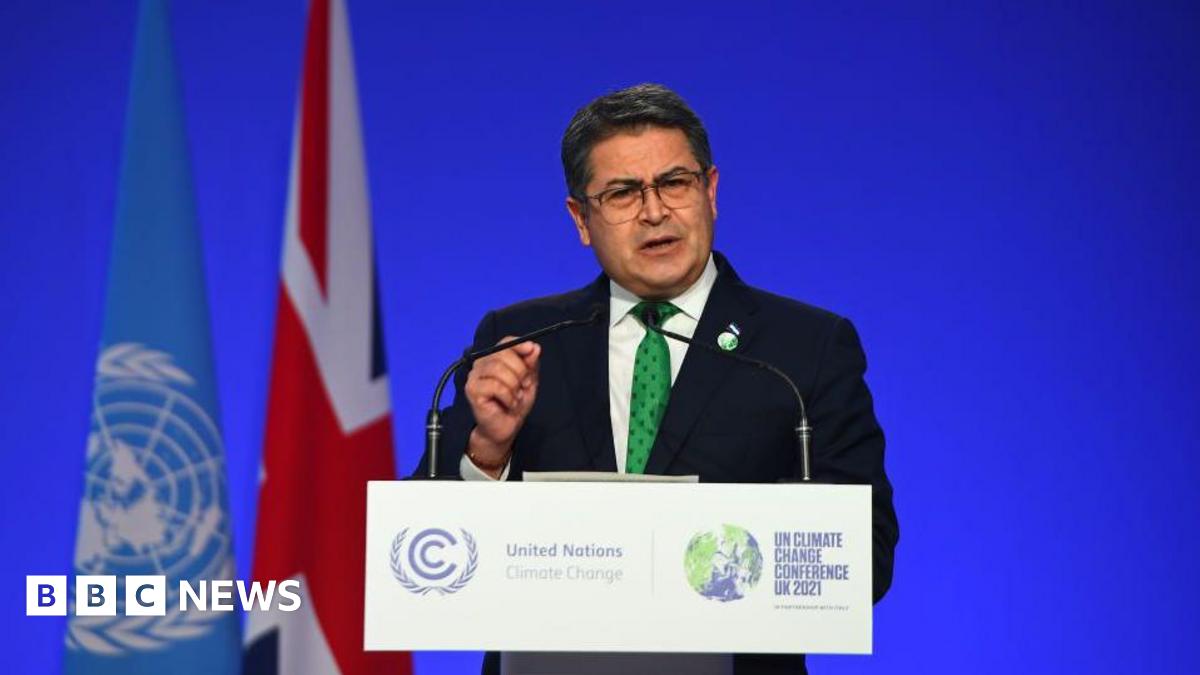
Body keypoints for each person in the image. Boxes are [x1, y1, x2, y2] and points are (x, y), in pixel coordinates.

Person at [418, 83, 898, 674]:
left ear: (711, 191)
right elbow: (426, 556)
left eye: (674, 183)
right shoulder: (522, 339)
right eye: (622, 192)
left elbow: (866, 560)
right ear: (581, 219)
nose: (654, 211)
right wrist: (487, 453)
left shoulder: (805, 348)